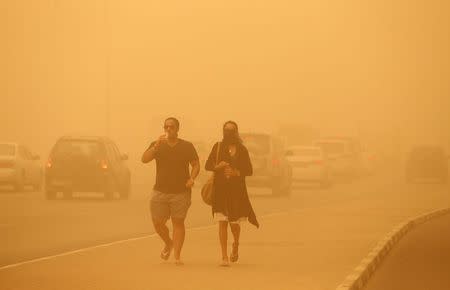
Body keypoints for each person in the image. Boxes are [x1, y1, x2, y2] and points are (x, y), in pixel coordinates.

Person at [141, 117, 200, 265]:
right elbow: (144, 159)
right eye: (166, 127)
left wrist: (192, 178)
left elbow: (196, 164)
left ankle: (177, 256)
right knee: (157, 222)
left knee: (178, 223)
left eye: (171, 127)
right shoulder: (157, 145)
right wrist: (155, 147)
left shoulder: (186, 146)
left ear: (177, 129)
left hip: (181, 191)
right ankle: (168, 242)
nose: (168, 129)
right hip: (160, 190)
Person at [205, 121, 259, 266]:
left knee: (234, 224)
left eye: (231, 130)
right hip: (220, 191)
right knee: (222, 222)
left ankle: (235, 244)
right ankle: (224, 256)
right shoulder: (217, 147)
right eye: (226, 130)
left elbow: (249, 170)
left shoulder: (242, 150)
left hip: (237, 191)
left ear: (236, 132)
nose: (228, 133)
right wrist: (218, 167)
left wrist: (236, 172)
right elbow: (208, 165)